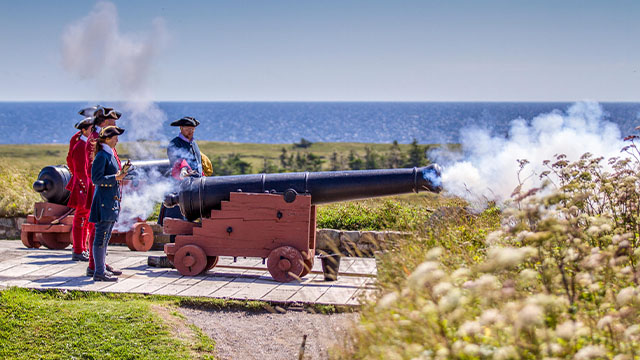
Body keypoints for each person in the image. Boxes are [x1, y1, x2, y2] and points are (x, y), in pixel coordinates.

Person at [150, 116, 204, 268]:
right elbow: (179, 163)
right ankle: (174, 255)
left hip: (194, 186)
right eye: (188, 129)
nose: (190, 131)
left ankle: (184, 252)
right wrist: (185, 170)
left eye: (192, 129)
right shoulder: (174, 144)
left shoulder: (194, 143)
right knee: (177, 222)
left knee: (188, 221)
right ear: (181, 128)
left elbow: (198, 163)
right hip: (179, 186)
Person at [85, 107, 123, 277]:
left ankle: (99, 267)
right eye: (115, 137)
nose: (117, 141)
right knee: (100, 235)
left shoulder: (109, 153)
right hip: (103, 198)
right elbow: (96, 178)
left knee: (104, 236)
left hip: (110, 199)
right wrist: (116, 177)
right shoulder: (102, 154)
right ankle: (97, 269)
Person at [65, 117, 94, 261]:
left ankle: (83, 248)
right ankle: (78, 249)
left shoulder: (86, 145)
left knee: (86, 219)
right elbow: (81, 170)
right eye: (91, 129)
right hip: (83, 187)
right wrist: (86, 187)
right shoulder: (80, 146)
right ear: (84, 130)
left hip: (86, 186)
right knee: (81, 218)